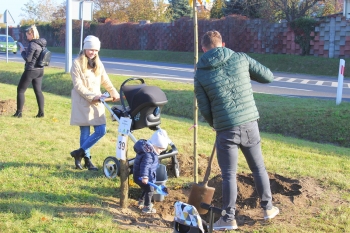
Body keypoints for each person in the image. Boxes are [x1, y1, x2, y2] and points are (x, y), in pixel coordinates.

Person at [194, 30, 279, 231]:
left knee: (229, 175)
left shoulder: (200, 72)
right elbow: (268, 77)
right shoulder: (240, 58)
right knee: (258, 168)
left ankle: (228, 218)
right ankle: (268, 208)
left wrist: (214, 123)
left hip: (225, 129)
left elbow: (204, 107)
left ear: (203, 48)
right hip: (249, 122)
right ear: (222, 43)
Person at [70, 35, 120, 171]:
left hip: (97, 102)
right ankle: (87, 160)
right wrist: (93, 96)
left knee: (101, 130)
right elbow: (78, 85)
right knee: (85, 131)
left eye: (96, 50)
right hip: (83, 101)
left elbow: (106, 80)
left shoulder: (98, 63)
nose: (93, 53)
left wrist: (114, 92)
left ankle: (78, 153)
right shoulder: (76, 63)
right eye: (91, 49)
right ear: (85, 48)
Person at [133, 129, 170, 214]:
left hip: (143, 176)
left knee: (146, 189)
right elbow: (145, 166)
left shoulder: (149, 150)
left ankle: (141, 200)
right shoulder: (148, 155)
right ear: (154, 145)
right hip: (141, 176)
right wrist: (145, 176)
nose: (161, 151)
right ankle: (147, 207)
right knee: (150, 190)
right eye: (160, 149)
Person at [13, 25, 47, 118]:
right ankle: (41, 113)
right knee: (38, 91)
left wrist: (22, 52)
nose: (26, 37)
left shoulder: (32, 44)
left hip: (31, 70)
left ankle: (19, 113)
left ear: (31, 34)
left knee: (20, 90)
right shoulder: (41, 43)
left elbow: (28, 59)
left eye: (27, 35)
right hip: (40, 70)